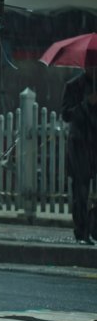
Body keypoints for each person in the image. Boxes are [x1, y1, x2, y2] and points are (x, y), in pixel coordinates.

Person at [61, 67, 97, 246]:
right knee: (81, 192)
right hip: (81, 146)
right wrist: (86, 103)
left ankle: (93, 228)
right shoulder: (74, 86)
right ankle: (82, 232)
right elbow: (66, 114)